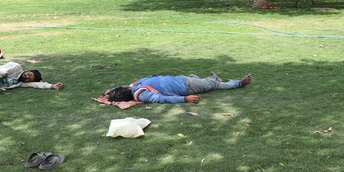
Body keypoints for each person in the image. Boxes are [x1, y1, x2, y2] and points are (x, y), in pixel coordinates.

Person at [104, 72, 252, 104]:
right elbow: (162, 99)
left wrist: (109, 92)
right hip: (186, 87)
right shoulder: (141, 94)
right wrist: (184, 99)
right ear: (125, 94)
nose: (123, 86)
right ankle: (239, 83)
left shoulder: (134, 86)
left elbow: (124, 86)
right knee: (212, 85)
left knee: (198, 79)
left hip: (182, 79)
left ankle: (211, 79)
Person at [0, 61, 64, 98]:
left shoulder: (20, 83)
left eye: (29, 79)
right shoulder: (16, 67)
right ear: (28, 70)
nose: (27, 77)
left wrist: (52, 86)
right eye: (29, 74)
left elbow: (37, 84)